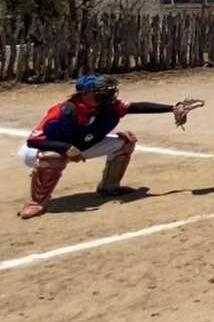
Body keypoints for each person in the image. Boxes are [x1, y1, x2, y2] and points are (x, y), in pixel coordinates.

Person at [16, 74, 203, 219]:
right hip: (39, 152)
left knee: (125, 141)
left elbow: (136, 107)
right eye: (101, 92)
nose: (109, 95)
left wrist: (172, 108)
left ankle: (109, 187)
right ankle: (37, 202)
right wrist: (65, 148)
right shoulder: (65, 111)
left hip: (82, 146)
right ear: (86, 94)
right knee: (53, 157)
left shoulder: (109, 106)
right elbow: (34, 140)